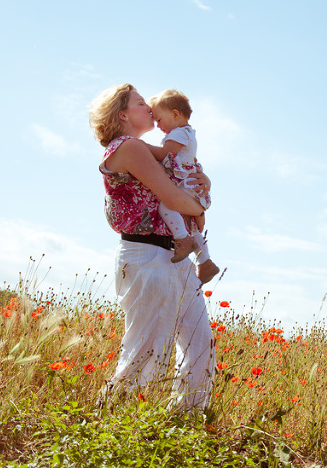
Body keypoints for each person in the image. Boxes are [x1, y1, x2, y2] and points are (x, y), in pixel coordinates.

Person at [89, 83, 215, 412]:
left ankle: (186, 419)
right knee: (145, 350)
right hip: (147, 256)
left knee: (200, 345)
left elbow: (187, 182)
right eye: (140, 103)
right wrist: (200, 207)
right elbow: (172, 197)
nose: (149, 108)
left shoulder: (155, 151)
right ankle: (113, 420)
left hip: (175, 255)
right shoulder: (128, 147)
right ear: (122, 114)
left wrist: (204, 183)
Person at [147, 89, 219, 284]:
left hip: (184, 184)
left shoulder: (179, 133)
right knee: (191, 225)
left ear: (175, 114)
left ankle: (181, 239)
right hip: (189, 185)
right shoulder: (186, 132)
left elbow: (164, 154)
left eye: (159, 120)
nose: (158, 125)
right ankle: (205, 261)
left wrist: (141, 146)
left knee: (165, 206)